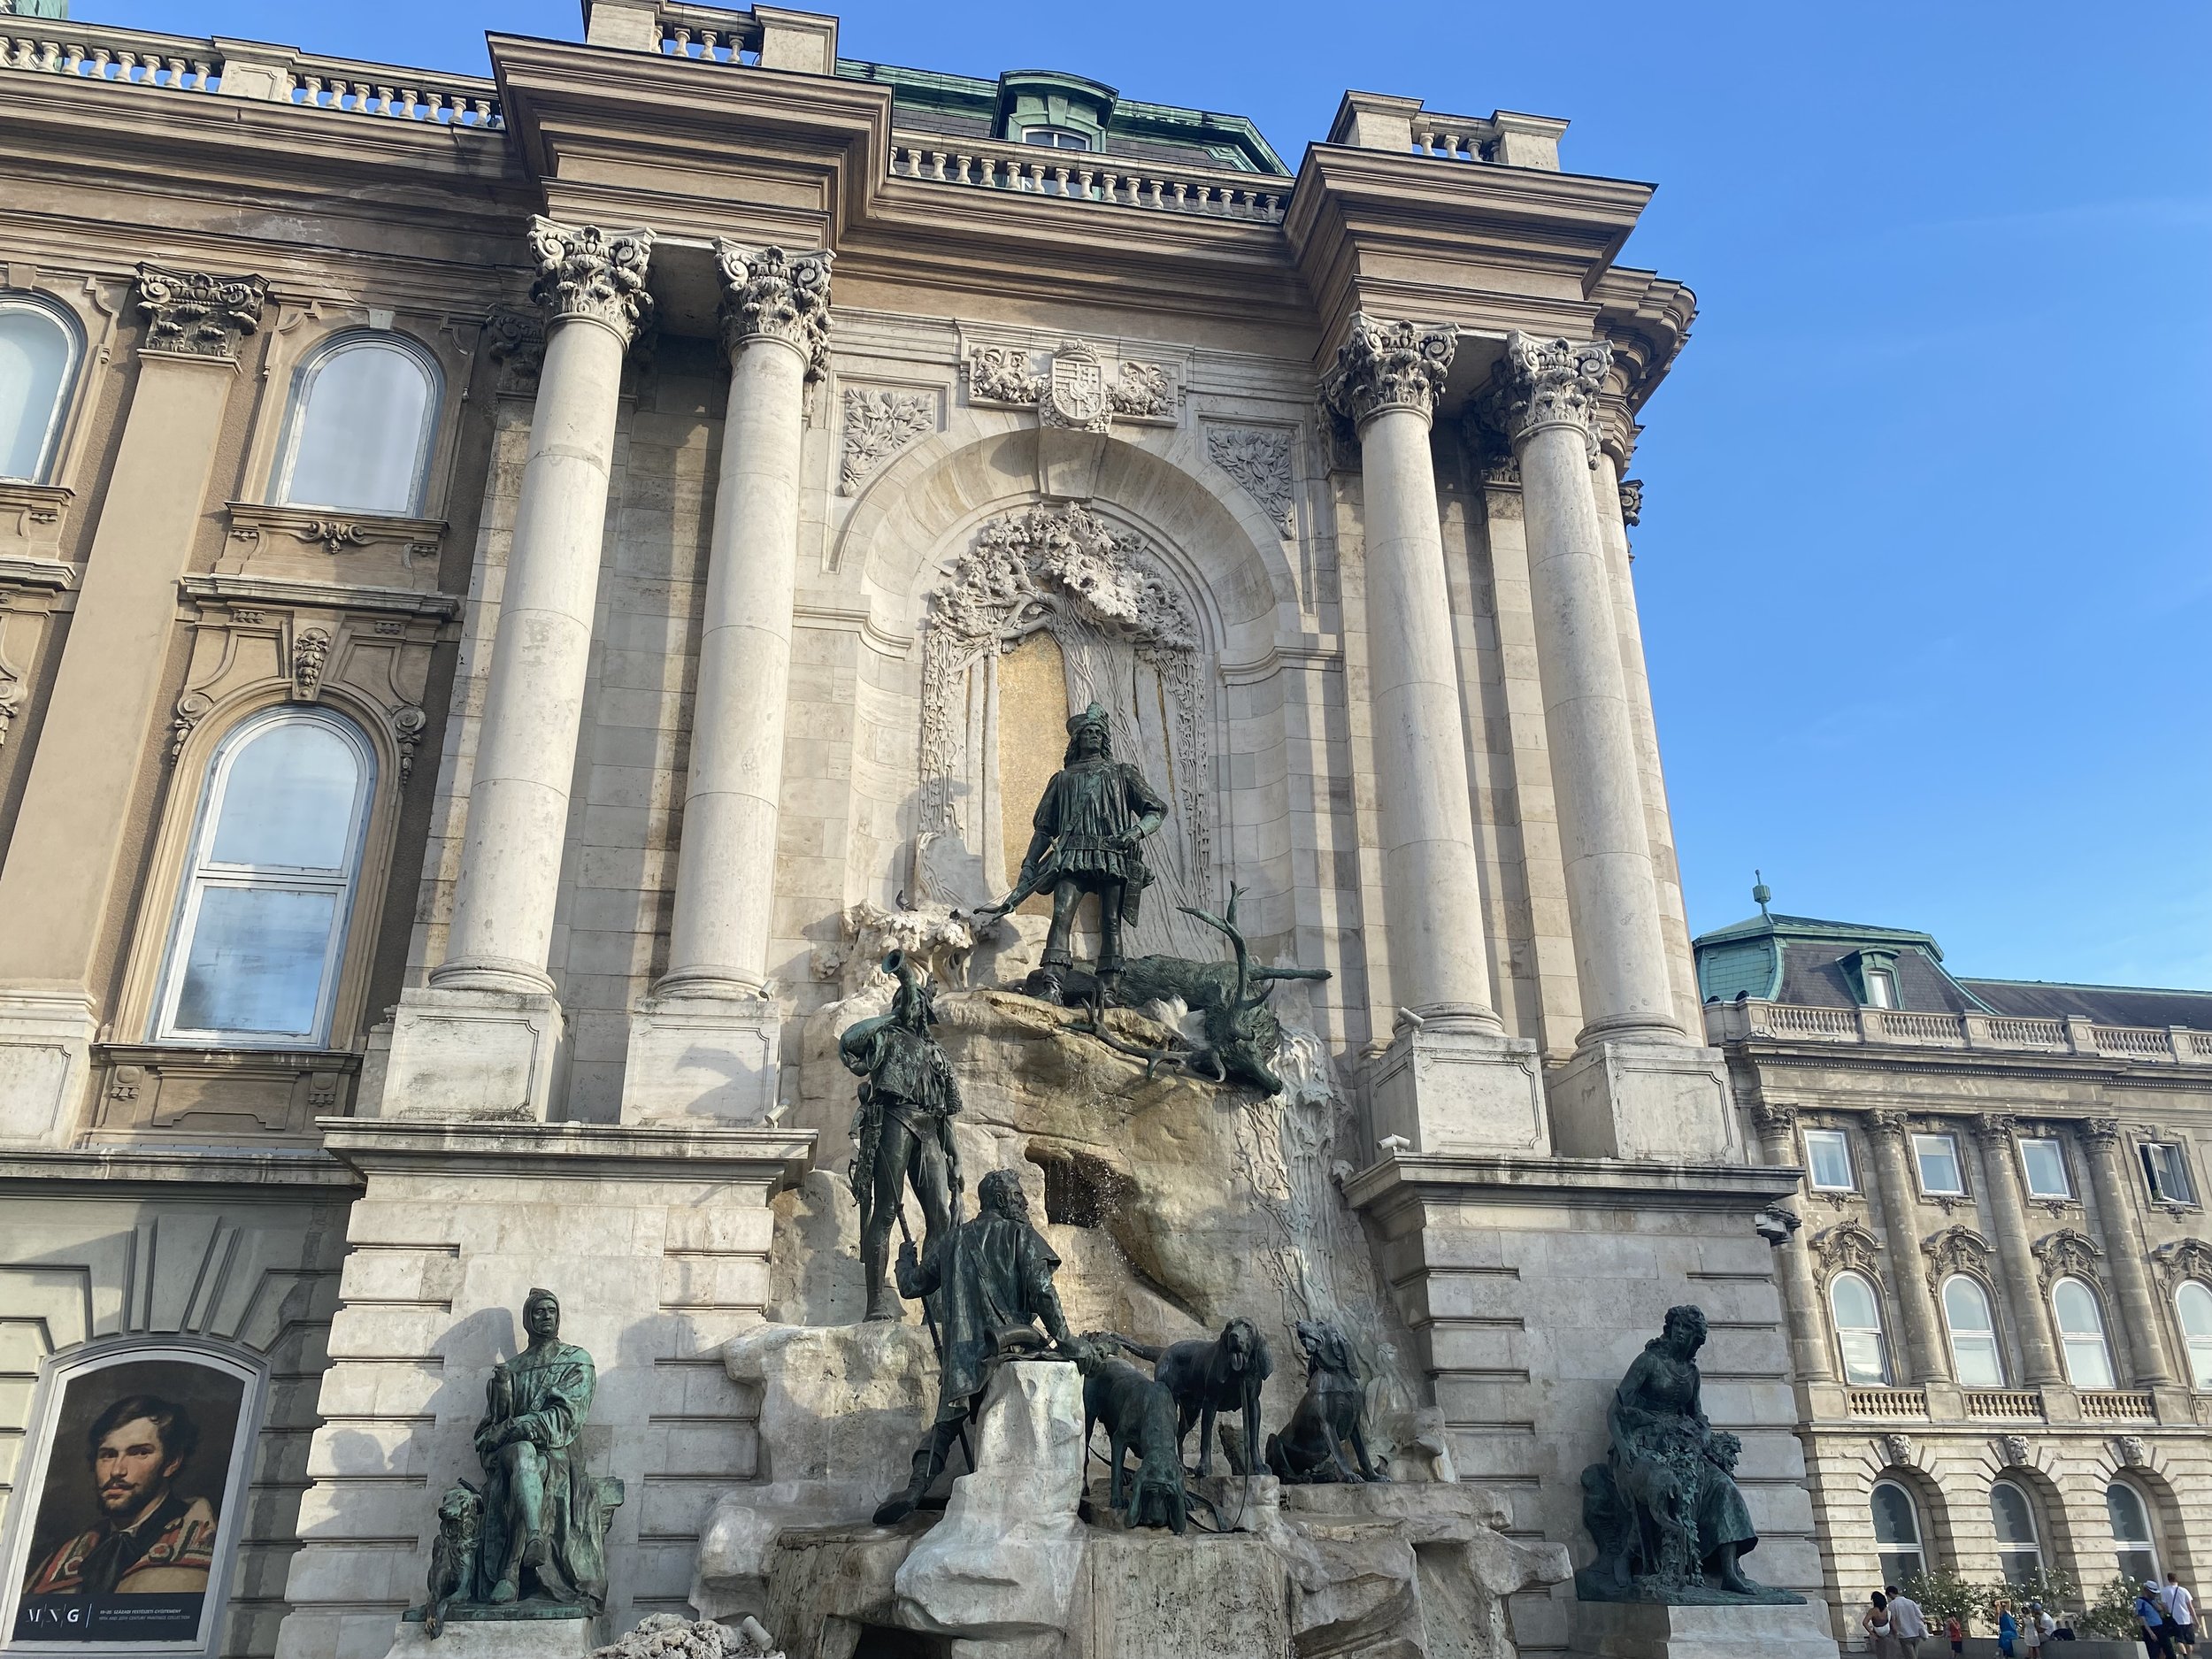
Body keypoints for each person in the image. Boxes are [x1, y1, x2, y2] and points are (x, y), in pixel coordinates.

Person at [872, 1170, 1094, 1524]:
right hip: (1009, 1347)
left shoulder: (952, 1240)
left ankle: (915, 1488)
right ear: (1002, 1200)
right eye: (1018, 1196)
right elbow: (1042, 1292)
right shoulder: (1021, 1235)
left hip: (962, 1359)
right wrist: (1067, 1340)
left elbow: (912, 1286)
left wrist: (904, 1260)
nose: (1025, 1203)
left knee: (945, 1425)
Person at [983, 702, 1167, 989]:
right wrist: (1029, 864)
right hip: (1072, 856)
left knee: (1110, 921)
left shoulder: (1122, 773)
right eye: (1088, 732)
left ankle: (1109, 989)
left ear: (1104, 739)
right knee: (1061, 915)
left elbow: (1155, 809)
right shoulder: (1063, 779)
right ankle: (1052, 984)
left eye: (1098, 732)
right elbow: (1044, 829)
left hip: (1111, 855)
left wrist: (1135, 832)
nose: (1093, 736)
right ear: (1077, 739)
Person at [1597, 1305, 1770, 1595]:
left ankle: (1729, 1572)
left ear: (1695, 1338)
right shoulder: (1648, 1362)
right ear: (1670, 1328)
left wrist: (1703, 1435)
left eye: (1687, 1329)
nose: (1680, 1332)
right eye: (1677, 1326)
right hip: (1641, 1445)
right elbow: (1615, 1410)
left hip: (1682, 1447)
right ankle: (1629, 1557)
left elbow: (1697, 1415)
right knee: (1665, 1487)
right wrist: (1624, 1447)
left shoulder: (1692, 1373)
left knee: (1724, 1487)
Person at [472, 1288, 613, 1611]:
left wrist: (513, 1427)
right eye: (538, 1311)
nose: (546, 1316)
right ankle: (534, 1537)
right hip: (511, 1457)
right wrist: (502, 1398)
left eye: (551, 1310)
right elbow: (488, 1432)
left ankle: (510, 1572)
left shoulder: (576, 1360)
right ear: (527, 1319)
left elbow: (565, 1418)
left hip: (558, 1455)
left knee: (529, 1459)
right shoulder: (511, 1369)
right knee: (523, 1453)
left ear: (559, 1316)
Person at [841, 952, 963, 1322]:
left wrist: (955, 1156)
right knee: (886, 1211)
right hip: (895, 1120)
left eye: (913, 1002)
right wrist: (894, 1015)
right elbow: (849, 1041)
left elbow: (945, 1111)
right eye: (904, 1001)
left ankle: (934, 1305)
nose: (910, 1005)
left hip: (930, 1131)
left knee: (940, 1216)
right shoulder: (885, 1037)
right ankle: (876, 1303)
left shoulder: (937, 1054)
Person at [21, 1394, 216, 1597]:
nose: (117, 1471)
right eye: (108, 1455)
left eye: (139, 1453)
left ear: (171, 1463)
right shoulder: (62, 1560)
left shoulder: (207, 1545)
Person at [1888, 1581, 1929, 1655]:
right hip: (1916, 1633)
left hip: (1904, 1634)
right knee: (1915, 1654)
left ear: (1890, 1594)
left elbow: (1892, 1620)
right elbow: (1921, 1617)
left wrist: (1895, 1632)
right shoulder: (1910, 1602)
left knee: (1909, 1656)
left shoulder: (1892, 1604)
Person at [2140, 1580, 2177, 1659]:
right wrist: (2150, 1632)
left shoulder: (2154, 1601)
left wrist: (2161, 1605)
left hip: (2160, 1626)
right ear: (2146, 1591)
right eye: (2152, 1592)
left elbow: (2161, 1610)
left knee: (2169, 1651)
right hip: (2151, 1628)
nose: (2154, 1594)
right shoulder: (2141, 1601)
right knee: (2154, 1652)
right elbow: (2142, 1618)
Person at [2167, 1574, 2198, 1655]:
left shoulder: (2165, 1591)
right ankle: (2189, 1657)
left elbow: (2164, 1606)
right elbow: (2190, 1607)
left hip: (2175, 1619)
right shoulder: (2184, 1590)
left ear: (2168, 1580)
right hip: (2187, 1619)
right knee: (2189, 1642)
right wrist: (2196, 1621)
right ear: (2177, 1579)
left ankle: (2184, 1655)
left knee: (2179, 1640)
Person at [1864, 1591, 1898, 1658]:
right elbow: (1893, 1625)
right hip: (1889, 1634)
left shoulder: (1872, 1611)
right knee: (1890, 1654)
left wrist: (1872, 1633)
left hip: (1878, 1635)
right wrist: (1896, 1635)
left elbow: (1865, 1622)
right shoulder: (1888, 1611)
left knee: (1881, 1654)